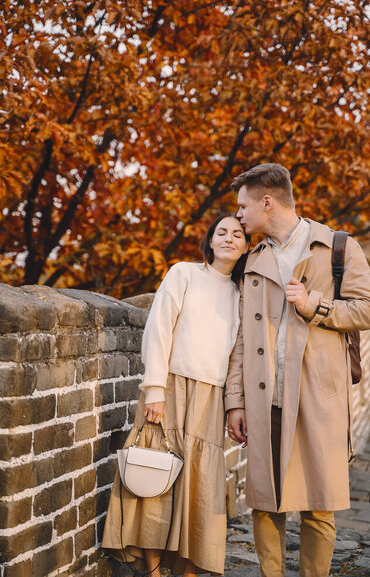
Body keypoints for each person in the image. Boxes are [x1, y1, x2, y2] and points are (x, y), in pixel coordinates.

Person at [225, 163, 370, 577]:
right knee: (263, 503)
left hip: (318, 397)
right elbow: (241, 337)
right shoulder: (252, 258)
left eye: (244, 206)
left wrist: (313, 304)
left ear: (267, 202)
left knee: (319, 506)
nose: (239, 216)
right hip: (265, 400)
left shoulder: (337, 247)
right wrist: (235, 402)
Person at [102, 213, 250, 577]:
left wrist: (234, 405)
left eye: (238, 234)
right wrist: (154, 389)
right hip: (168, 390)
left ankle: (187, 571)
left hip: (210, 401)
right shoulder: (183, 273)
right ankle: (151, 570)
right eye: (222, 232)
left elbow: (237, 358)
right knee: (155, 480)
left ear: (247, 246)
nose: (229, 238)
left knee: (198, 490)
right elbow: (158, 329)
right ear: (210, 241)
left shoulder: (242, 295)